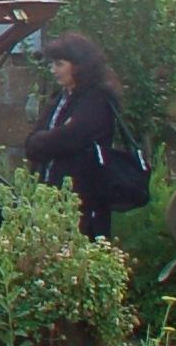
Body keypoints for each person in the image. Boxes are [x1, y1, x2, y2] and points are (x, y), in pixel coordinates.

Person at [20, 32, 121, 237]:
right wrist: (49, 138)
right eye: (52, 65)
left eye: (59, 64)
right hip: (50, 193)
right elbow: (31, 144)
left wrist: (49, 138)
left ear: (78, 65)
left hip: (82, 197)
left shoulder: (97, 99)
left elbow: (70, 137)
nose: (53, 70)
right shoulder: (59, 99)